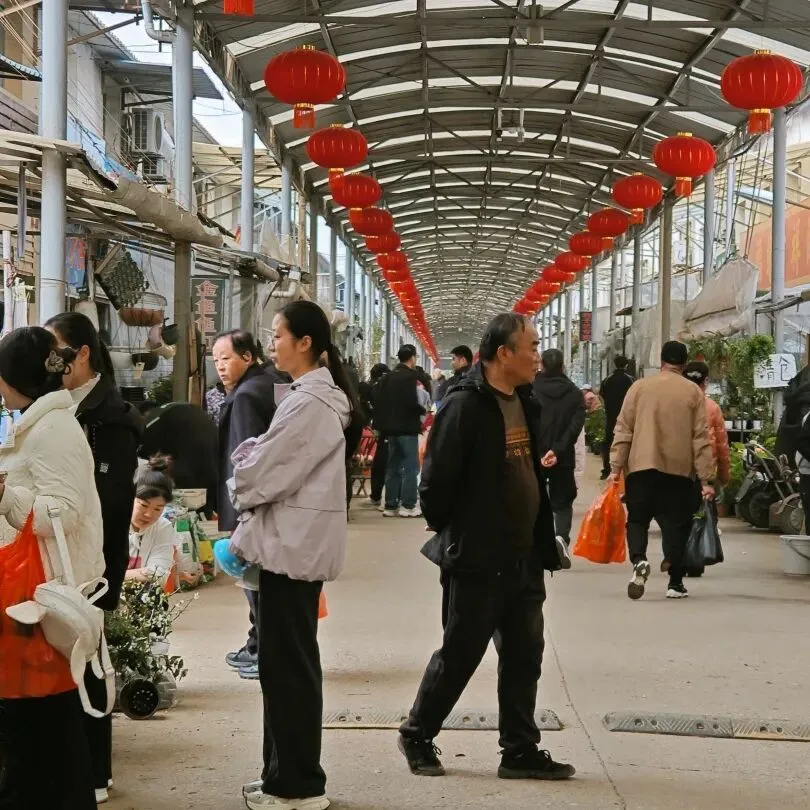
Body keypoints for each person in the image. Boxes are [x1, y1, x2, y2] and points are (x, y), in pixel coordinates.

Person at [398, 313, 574, 782]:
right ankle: (417, 733)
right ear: (503, 354)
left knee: (524, 653)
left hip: (524, 553)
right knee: (461, 651)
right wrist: (460, 531)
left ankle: (518, 749)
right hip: (478, 555)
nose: (539, 356)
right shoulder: (465, 406)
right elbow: (435, 485)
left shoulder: (524, 400)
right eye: (532, 347)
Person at [230, 300, 363, 810]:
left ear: (305, 342)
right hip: (293, 547)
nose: (272, 342)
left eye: (278, 334)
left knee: (288, 671)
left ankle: (298, 786)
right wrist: (255, 460)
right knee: (285, 667)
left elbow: (265, 470)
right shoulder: (309, 396)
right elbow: (269, 458)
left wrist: (242, 471)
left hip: (292, 550)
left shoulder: (310, 402)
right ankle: (280, 775)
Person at [0, 326, 105, 810]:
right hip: (33, 589)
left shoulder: (51, 430)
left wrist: (6, 496)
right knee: (40, 712)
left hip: (41, 592)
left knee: (44, 712)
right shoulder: (38, 423)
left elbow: (64, 510)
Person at [45, 311, 143, 804]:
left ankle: (97, 772)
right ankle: (78, 767)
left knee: (91, 659)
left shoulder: (110, 417)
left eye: (56, 349)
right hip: (68, 555)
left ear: (82, 354)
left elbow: (111, 501)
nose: (50, 360)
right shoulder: (64, 407)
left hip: (95, 560)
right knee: (68, 657)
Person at [610, 341, 715, 601]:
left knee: (637, 520)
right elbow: (700, 437)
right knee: (676, 526)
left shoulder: (639, 387)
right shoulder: (693, 393)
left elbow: (624, 428)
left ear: (661, 360)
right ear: (684, 362)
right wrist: (706, 478)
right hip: (677, 471)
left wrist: (615, 467)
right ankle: (675, 583)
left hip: (641, 468)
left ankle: (639, 560)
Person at [214, 329, 288, 681]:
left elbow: (243, 458)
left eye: (226, 358)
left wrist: (240, 508)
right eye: (215, 361)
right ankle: (260, 644)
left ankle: (262, 649)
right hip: (281, 499)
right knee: (268, 579)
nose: (220, 367)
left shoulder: (245, 396)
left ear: (247, 356)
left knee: (254, 579)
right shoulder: (276, 383)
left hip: (253, 503)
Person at [532, 348, 586, 557]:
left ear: (542, 365)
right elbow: (575, 427)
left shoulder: (531, 389)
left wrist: (541, 450)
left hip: (536, 455)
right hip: (562, 456)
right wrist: (557, 450)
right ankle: (560, 537)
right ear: (563, 366)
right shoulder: (574, 393)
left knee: (534, 497)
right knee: (563, 500)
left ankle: (537, 540)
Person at [373, 344, 425, 518]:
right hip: (407, 428)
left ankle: (390, 505)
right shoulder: (412, 377)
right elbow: (414, 401)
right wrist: (421, 411)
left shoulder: (387, 377)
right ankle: (408, 505)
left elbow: (377, 399)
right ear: (412, 358)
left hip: (390, 430)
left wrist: (380, 425)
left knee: (393, 466)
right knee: (411, 467)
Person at [127, 456, 178, 586]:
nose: (149, 514)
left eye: (158, 509)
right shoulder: (110, 523)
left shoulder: (163, 527)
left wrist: (116, 575)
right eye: (143, 505)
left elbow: (160, 574)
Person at [683, 362, 731, 489]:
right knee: (713, 502)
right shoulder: (712, 407)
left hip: (676, 472)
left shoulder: (673, 404)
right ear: (706, 381)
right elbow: (722, 446)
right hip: (704, 475)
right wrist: (724, 476)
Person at [358, 363, 390, 507]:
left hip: (375, 428)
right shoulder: (387, 387)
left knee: (380, 463)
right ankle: (389, 497)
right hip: (386, 429)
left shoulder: (370, 388)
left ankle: (376, 495)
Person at [599, 356, 635, 479]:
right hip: (626, 417)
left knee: (608, 442)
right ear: (626, 366)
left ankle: (606, 470)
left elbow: (601, 394)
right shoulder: (630, 380)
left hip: (611, 416)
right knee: (626, 443)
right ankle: (624, 471)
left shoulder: (607, 380)